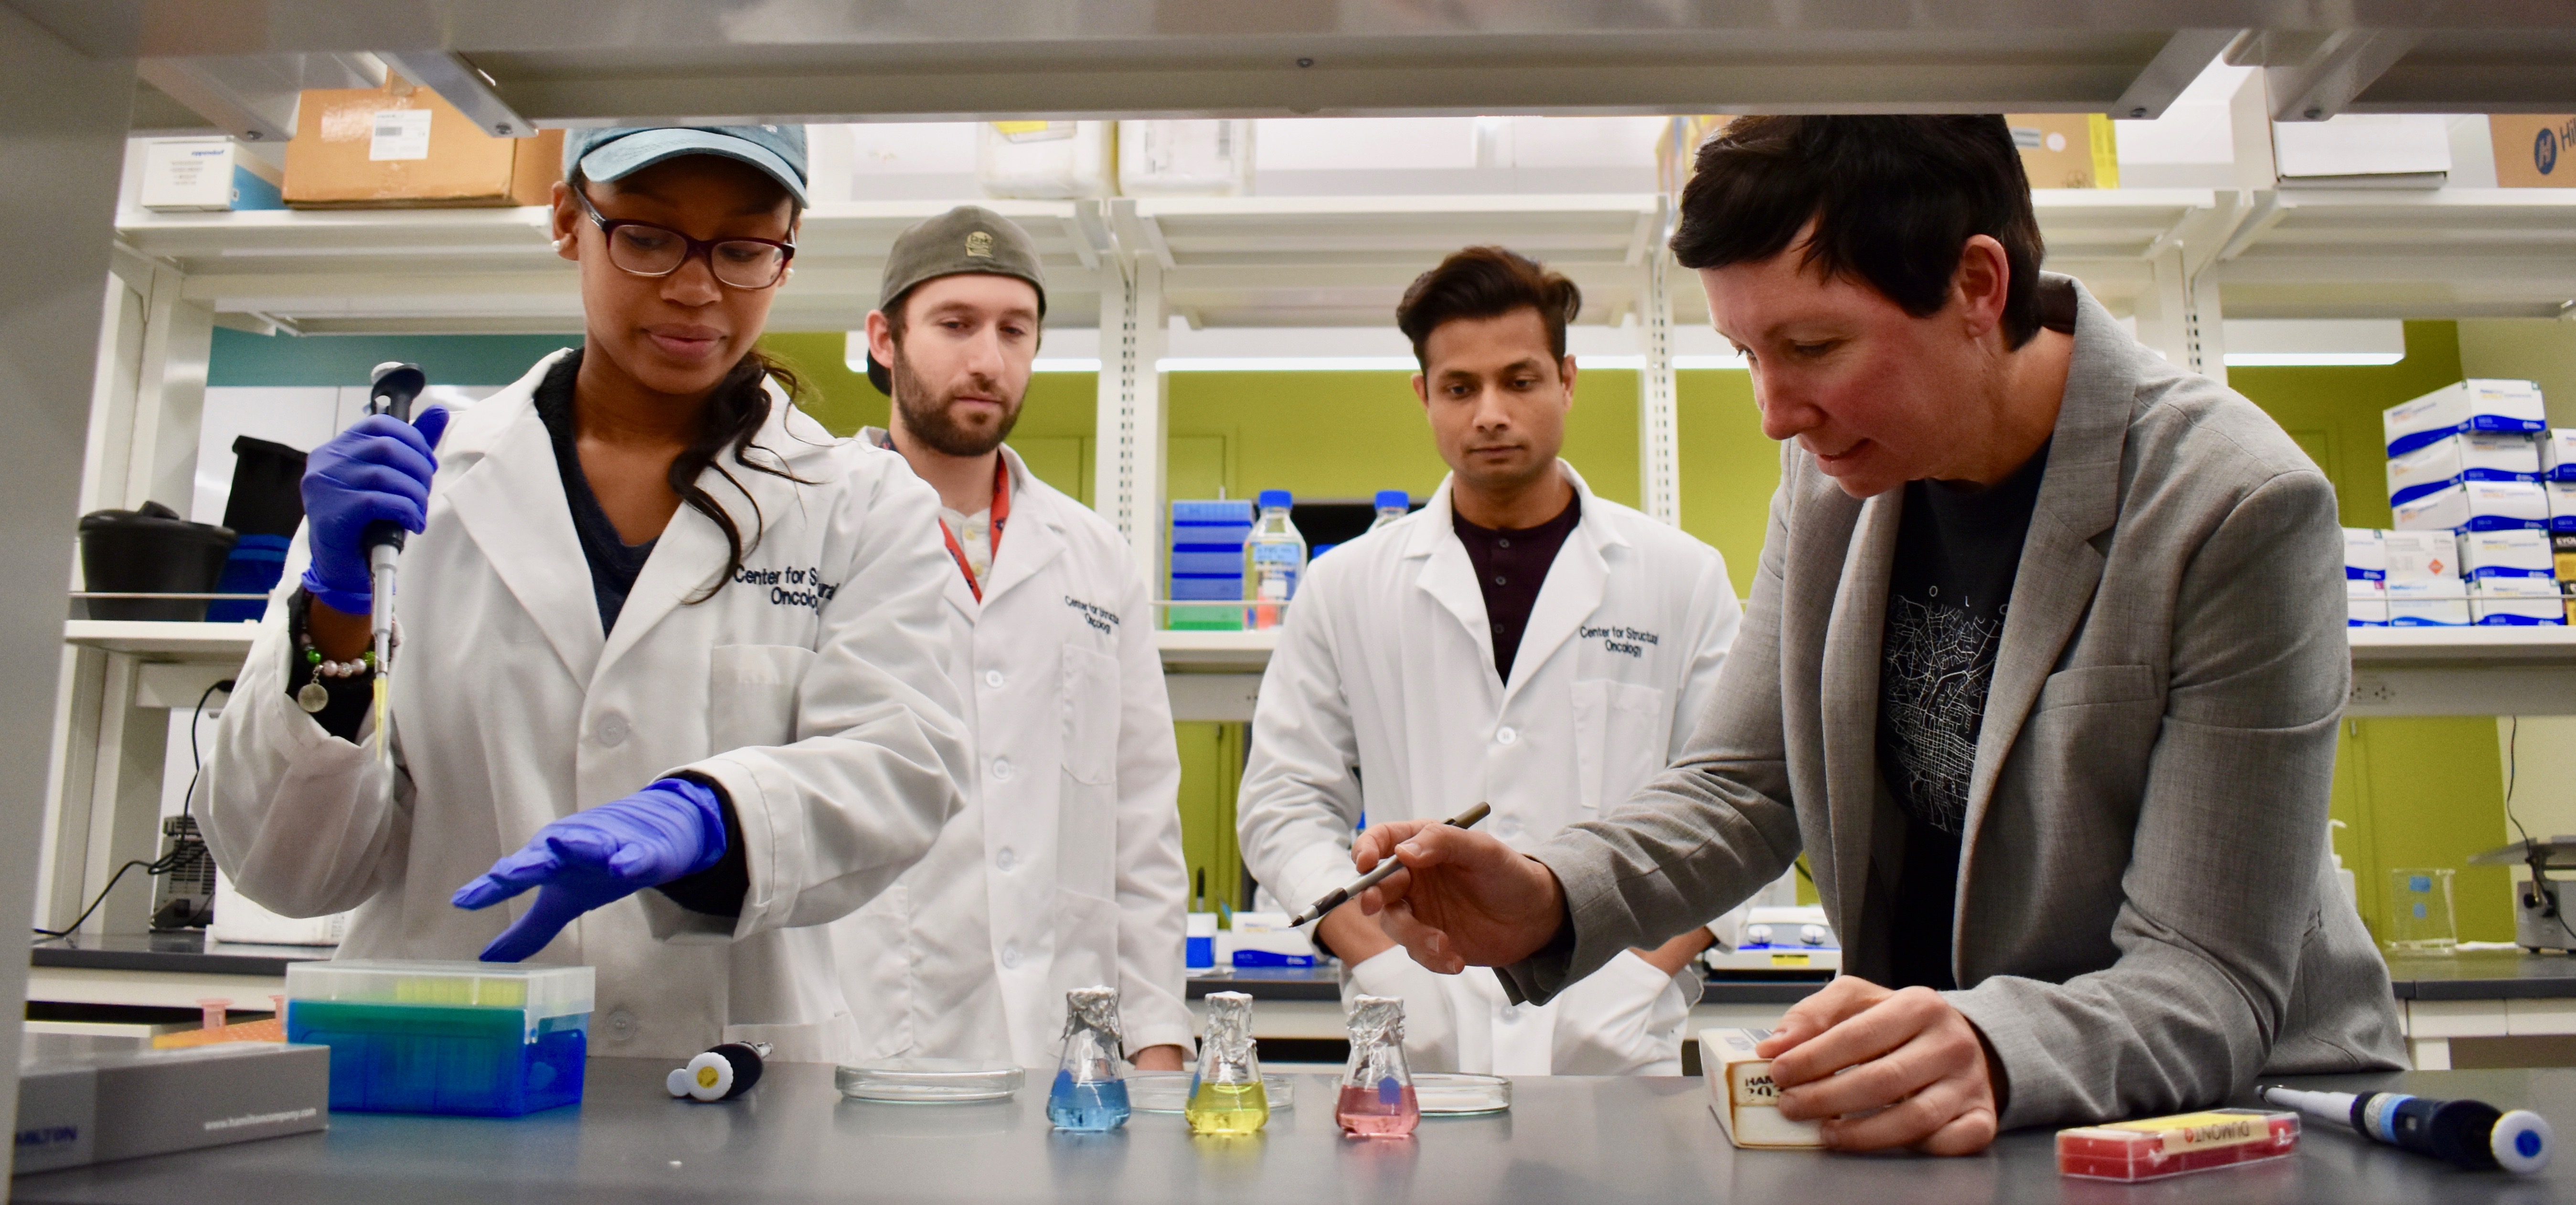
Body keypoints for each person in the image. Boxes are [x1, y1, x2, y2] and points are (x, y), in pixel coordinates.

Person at [1349, 115, 2406, 1151]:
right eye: (1747, 353)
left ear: (1978, 286)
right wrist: (1547, 892)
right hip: (1964, 1114)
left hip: (2235, 1122)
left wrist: (1987, 1041)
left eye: (1812, 346)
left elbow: (2208, 972)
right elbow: (1744, 784)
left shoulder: (2234, 506)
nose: (1774, 412)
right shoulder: (1834, 473)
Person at [201, 125, 970, 1063]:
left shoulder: (861, 504)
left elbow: (902, 765)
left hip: (731, 1085)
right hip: (449, 1070)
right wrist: (337, 614)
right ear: (570, 220)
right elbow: (285, 868)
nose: (697, 288)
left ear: (788, 251)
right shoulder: (420, 496)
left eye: (743, 249)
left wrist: (713, 814)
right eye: (646, 237)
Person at [1235, 246, 1743, 1076]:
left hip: (1612, 1029)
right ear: (1424, 396)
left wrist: (1639, 977)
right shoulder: (1343, 585)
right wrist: (1380, 961)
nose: (1490, 413)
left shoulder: (1679, 576)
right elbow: (1282, 805)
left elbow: (1732, 807)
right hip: (1417, 1028)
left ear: (1568, 381)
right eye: (1460, 388)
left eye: (1520, 380)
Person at [833, 207, 1192, 1071]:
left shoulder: (1094, 559)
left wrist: (1157, 1040)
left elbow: (1141, 824)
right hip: (865, 1037)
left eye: (1014, 330)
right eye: (954, 325)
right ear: (884, 338)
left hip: (1064, 1052)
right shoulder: (812, 529)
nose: (987, 360)